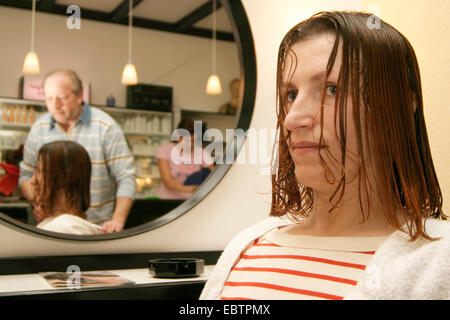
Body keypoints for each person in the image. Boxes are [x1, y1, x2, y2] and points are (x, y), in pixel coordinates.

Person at [201, 11, 450, 300]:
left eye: (332, 89)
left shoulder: (436, 262)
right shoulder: (246, 248)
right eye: (291, 94)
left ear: (401, 106)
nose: (293, 119)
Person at [19, 69, 136, 233]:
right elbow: (26, 176)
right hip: (48, 227)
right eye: (49, 98)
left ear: (80, 95)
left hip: (94, 227)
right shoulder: (38, 129)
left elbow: (126, 177)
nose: (55, 104)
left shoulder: (105, 127)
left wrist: (117, 220)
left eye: (62, 97)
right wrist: (37, 202)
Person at [32, 141, 100, 235]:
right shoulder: (60, 225)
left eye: (40, 171)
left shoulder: (63, 228)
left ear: (65, 178)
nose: (32, 181)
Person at [156, 119, 214, 199]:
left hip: (191, 203)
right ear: (178, 136)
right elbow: (168, 181)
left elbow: (215, 174)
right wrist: (195, 189)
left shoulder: (201, 152)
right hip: (167, 200)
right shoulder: (165, 150)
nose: (190, 144)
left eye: (193, 140)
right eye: (187, 140)